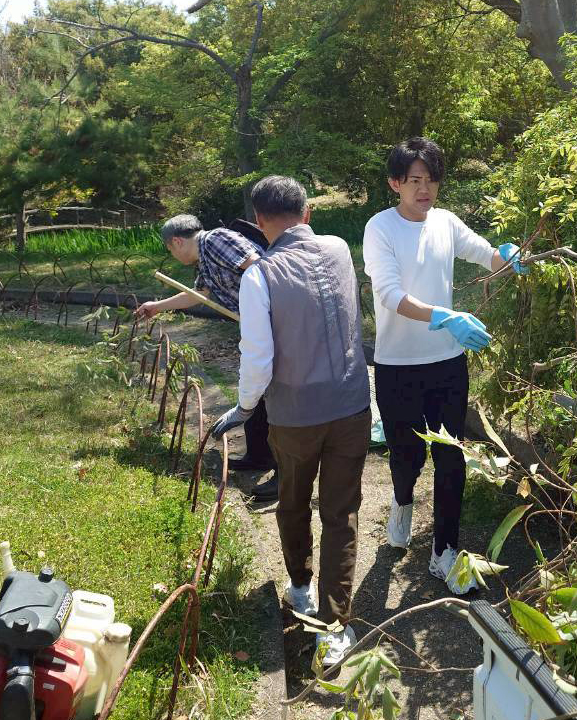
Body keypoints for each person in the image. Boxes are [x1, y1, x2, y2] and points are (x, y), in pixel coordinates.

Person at [209, 176, 371, 666]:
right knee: (341, 513)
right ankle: (334, 626)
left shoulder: (259, 276)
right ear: (308, 213)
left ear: (258, 221)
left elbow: (258, 358)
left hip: (296, 416)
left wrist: (244, 408)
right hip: (351, 405)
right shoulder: (339, 249)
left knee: (294, 500)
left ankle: (301, 587)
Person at [362, 137, 526, 595]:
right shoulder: (380, 228)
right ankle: (401, 502)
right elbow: (389, 295)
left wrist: (510, 255)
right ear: (395, 183)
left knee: (452, 458)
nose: (425, 190)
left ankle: (445, 554)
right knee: (407, 457)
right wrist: (444, 316)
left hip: (448, 364)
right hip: (398, 366)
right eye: (415, 180)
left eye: (432, 180)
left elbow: (486, 254)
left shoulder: (446, 222)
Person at [134, 215, 278, 496]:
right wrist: (157, 306)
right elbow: (198, 295)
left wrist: (265, 315)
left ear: (177, 242)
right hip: (257, 325)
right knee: (259, 394)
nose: (174, 256)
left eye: (170, 250)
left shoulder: (216, 240)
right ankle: (259, 457)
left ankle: (285, 475)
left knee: (275, 395)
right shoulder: (204, 259)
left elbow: (262, 270)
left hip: (274, 324)